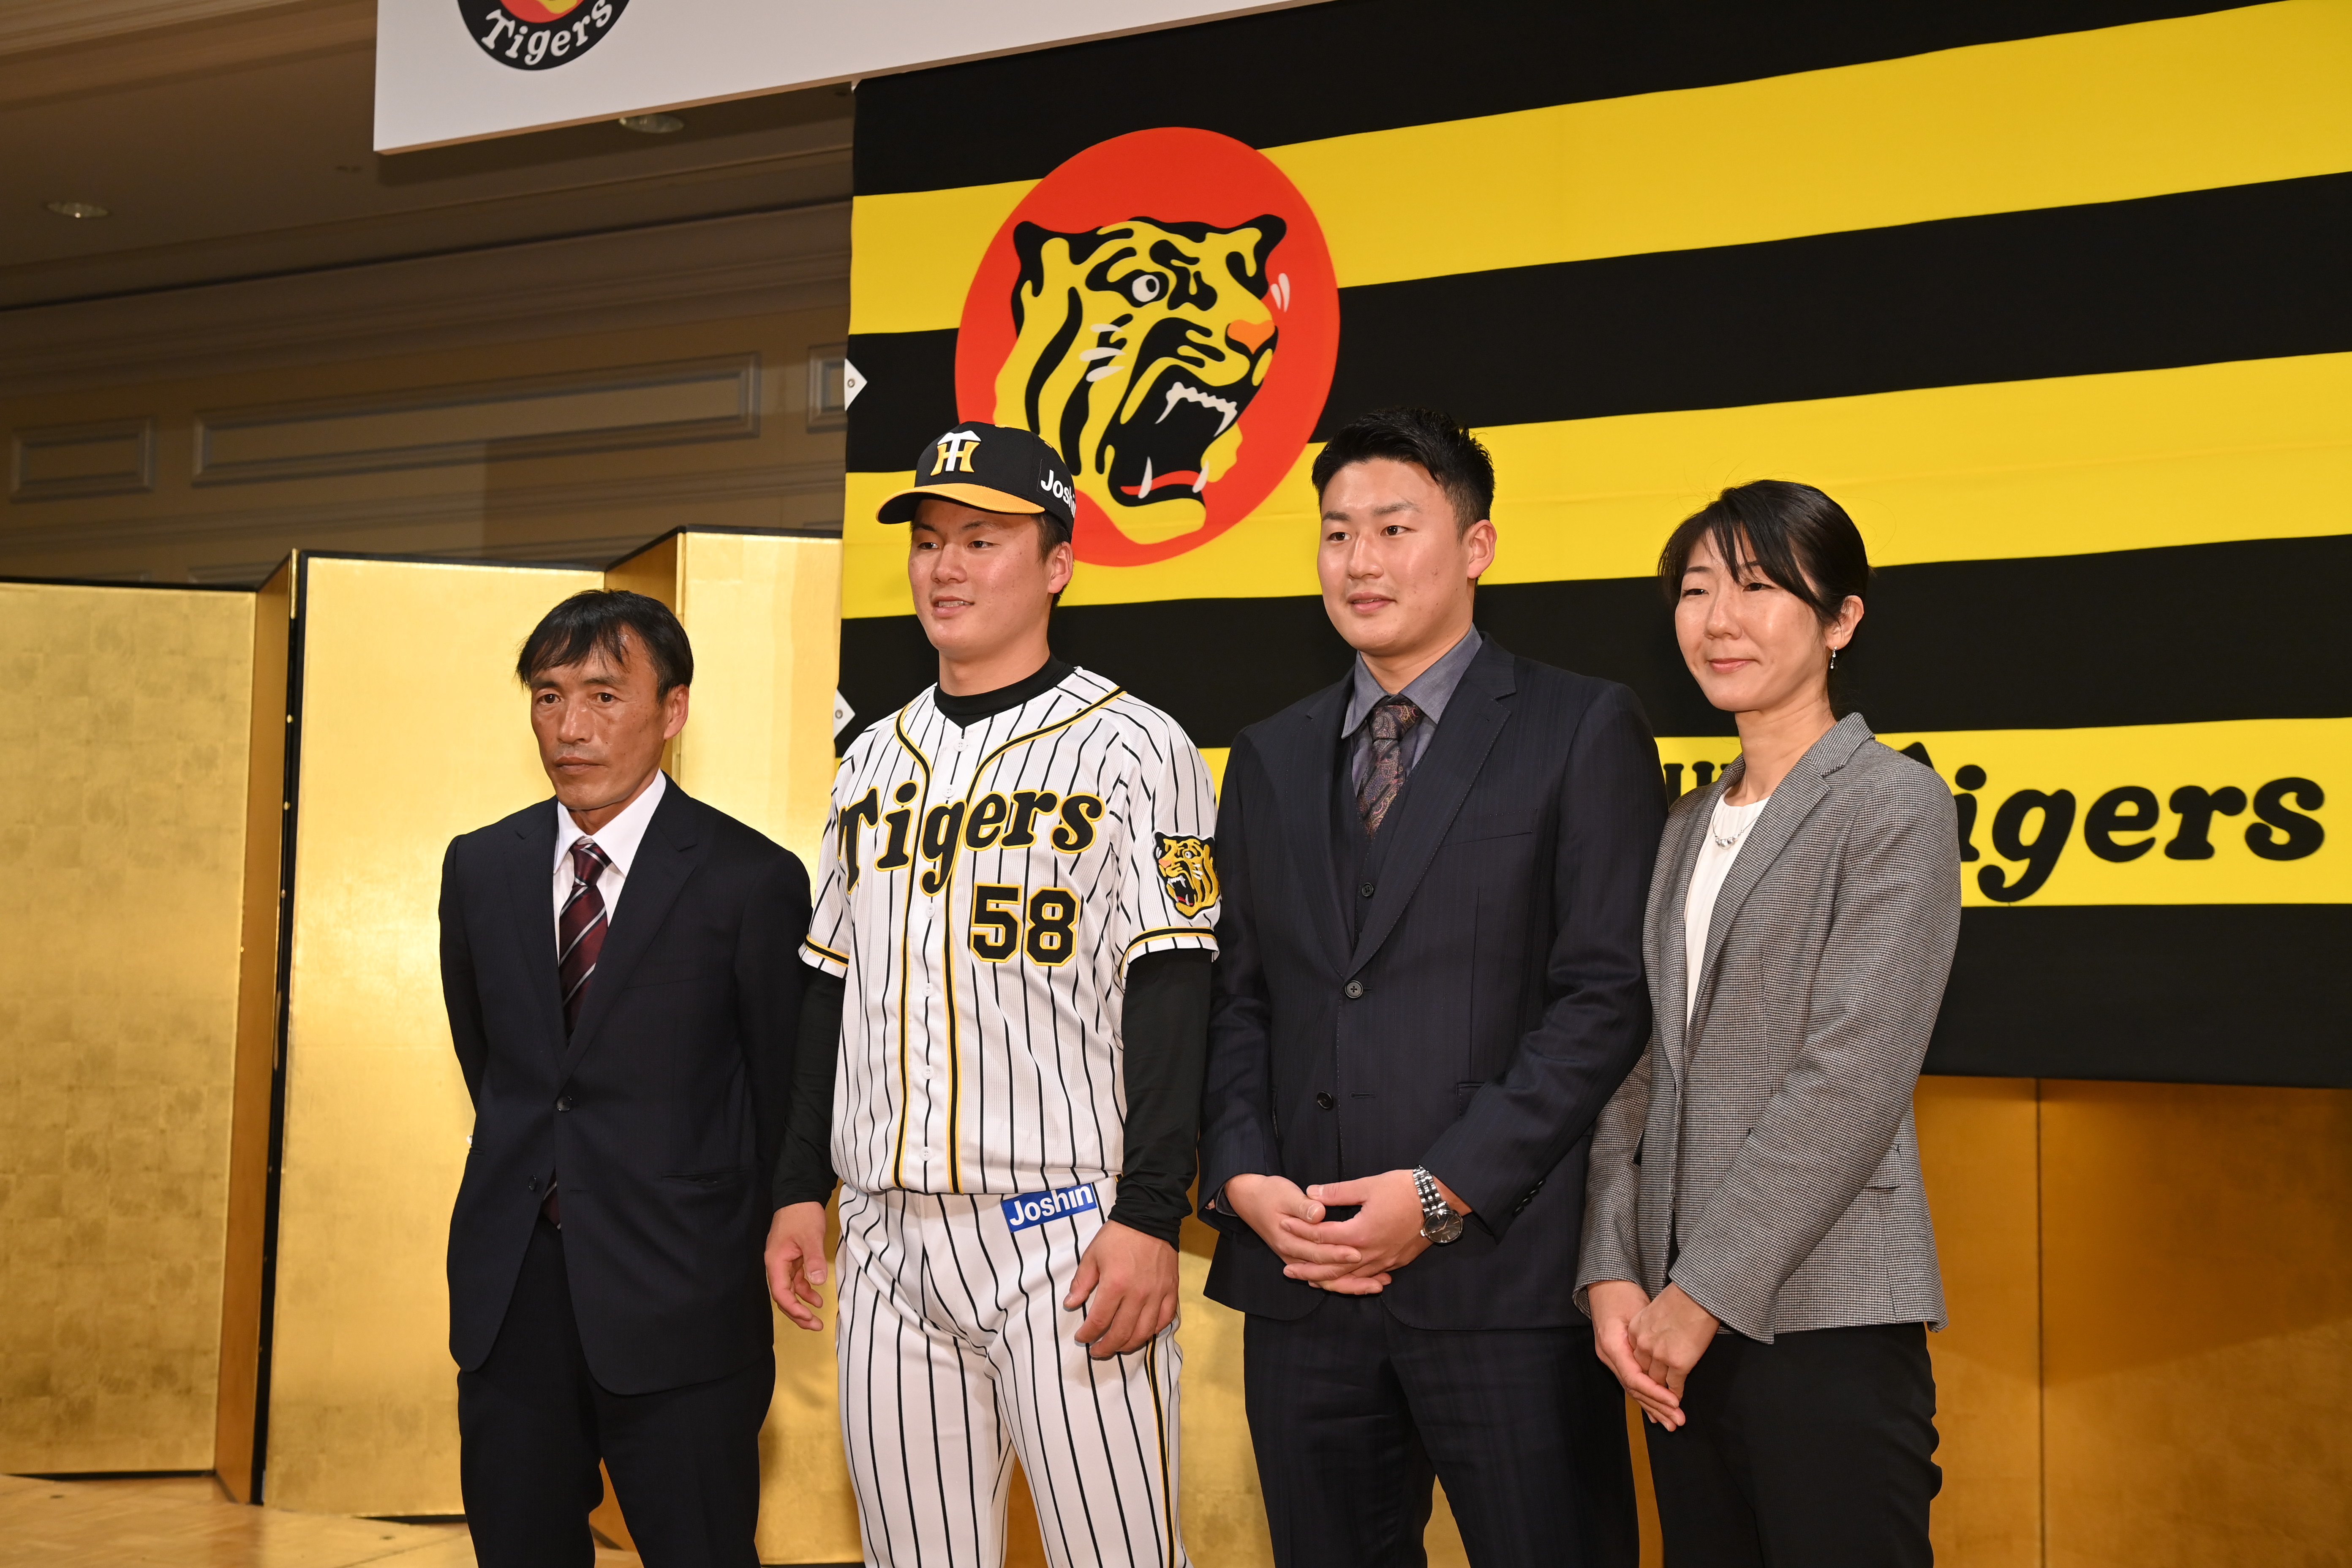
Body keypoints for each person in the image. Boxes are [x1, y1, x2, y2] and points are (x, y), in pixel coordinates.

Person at [1197, 407, 1662, 1568]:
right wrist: (1244, 1173)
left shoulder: (1580, 726)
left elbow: (1603, 996)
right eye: (1337, 532)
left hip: (1504, 1283)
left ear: (1477, 547)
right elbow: (1241, 995)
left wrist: (1443, 1192)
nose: (1361, 560)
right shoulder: (1269, 753)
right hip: (1301, 1283)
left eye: (1395, 527)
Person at [764, 422, 1217, 1568]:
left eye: (981, 538)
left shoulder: (1139, 746)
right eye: (927, 541)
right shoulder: (869, 759)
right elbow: (828, 989)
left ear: (1058, 564)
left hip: (1065, 1232)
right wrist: (794, 1190)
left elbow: (1175, 990)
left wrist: (1153, 1211)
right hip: (882, 1235)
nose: (945, 566)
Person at [1576, 480, 1960, 1566]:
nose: (1718, 619)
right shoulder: (1683, 821)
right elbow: (1636, 1064)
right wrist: (1611, 1267)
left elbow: (1849, 1077)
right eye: (1697, 590)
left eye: (1757, 587)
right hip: (1668, 1332)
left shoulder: (1893, 804)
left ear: (1840, 621)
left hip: (1826, 1311)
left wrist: (1699, 1297)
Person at [438, 589, 811, 1568]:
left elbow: (782, 1087)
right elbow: (502, 1068)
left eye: (605, 695)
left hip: (682, 1295)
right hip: (512, 1291)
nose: (571, 727)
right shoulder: (480, 866)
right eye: (549, 695)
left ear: (673, 709)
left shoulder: (749, 878)